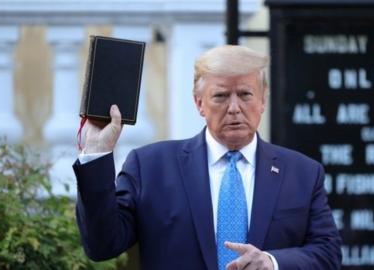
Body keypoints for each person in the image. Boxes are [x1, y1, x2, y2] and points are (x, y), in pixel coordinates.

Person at [73, 45, 342, 270]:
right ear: (199, 103)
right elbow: (102, 245)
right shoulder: (151, 167)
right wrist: (97, 154)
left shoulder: (303, 173)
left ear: (263, 99)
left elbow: (328, 254)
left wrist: (272, 262)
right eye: (221, 96)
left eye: (245, 94)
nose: (234, 108)